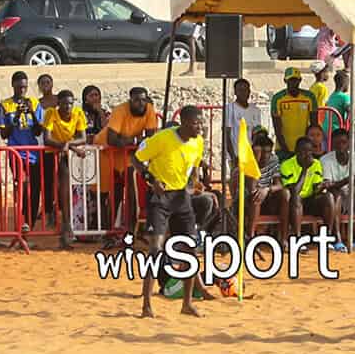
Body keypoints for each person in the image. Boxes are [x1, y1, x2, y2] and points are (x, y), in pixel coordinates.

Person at [135, 105, 206, 318]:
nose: (200, 127)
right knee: (156, 250)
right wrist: (151, 179)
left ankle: (187, 303)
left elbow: (194, 165)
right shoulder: (163, 138)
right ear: (184, 123)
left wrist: (194, 182)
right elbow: (136, 159)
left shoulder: (198, 142)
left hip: (181, 198)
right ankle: (147, 305)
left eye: (201, 122)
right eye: (196, 123)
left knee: (190, 250)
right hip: (160, 198)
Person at [98, 86, 159, 239]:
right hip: (106, 150)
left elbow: (151, 138)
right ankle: (108, 230)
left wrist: (134, 144)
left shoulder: (149, 109)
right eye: (137, 100)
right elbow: (112, 139)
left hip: (128, 152)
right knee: (108, 192)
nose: (141, 103)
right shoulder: (119, 111)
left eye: (143, 100)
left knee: (132, 189)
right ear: (130, 100)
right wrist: (134, 141)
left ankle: (131, 229)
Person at [41, 88, 88, 248]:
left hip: (66, 156)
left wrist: (68, 145)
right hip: (50, 154)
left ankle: (66, 227)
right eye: (64, 103)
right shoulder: (50, 113)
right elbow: (47, 138)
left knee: (66, 190)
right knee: (50, 189)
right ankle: (52, 218)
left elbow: (83, 137)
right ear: (58, 103)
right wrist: (69, 146)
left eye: (70, 103)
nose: (68, 107)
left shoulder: (78, 113)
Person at [0, 71, 44, 227]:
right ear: (13, 86)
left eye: (24, 87)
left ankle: (29, 223)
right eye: (19, 87)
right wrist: (16, 115)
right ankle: (22, 218)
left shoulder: (35, 103)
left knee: (35, 187)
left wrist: (31, 112)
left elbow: (39, 131)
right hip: (16, 152)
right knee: (23, 183)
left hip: (34, 153)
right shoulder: (5, 105)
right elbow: (4, 134)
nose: (22, 90)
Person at [318, 128, 355, 248]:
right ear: (332, 144)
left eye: (344, 142)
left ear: (349, 143)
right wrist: (346, 181)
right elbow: (328, 185)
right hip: (337, 197)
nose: (341, 146)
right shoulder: (325, 160)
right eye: (337, 143)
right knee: (335, 194)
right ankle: (337, 238)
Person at [279, 136, 334, 243]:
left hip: (310, 200)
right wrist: (305, 169)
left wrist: (322, 186)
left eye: (309, 151)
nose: (307, 154)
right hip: (292, 204)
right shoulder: (286, 165)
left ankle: (328, 237)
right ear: (296, 151)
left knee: (329, 197)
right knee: (297, 199)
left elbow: (315, 188)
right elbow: (294, 191)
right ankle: (298, 239)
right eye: (303, 151)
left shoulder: (316, 163)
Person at [223, 78, 265, 192]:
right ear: (235, 92)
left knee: (250, 183)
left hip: (251, 154)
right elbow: (226, 133)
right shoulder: (229, 109)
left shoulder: (255, 110)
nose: (243, 92)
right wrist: (233, 155)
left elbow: (257, 133)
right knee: (236, 183)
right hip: (236, 153)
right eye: (240, 90)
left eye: (245, 89)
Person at [270, 67, 318, 160]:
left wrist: (312, 145)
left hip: (304, 149)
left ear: (300, 80)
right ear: (285, 81)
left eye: (296, 80)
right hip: (283, 149)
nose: (293, 83)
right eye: (290, 80)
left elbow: (314, 125)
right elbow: (277, 128)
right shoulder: (278, 98)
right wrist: (285, 150)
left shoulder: (309, 97)